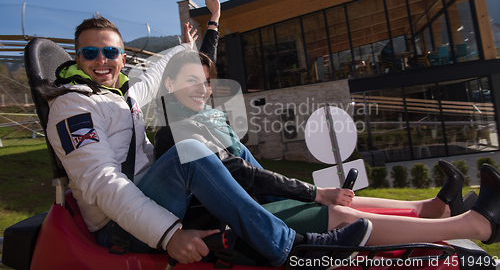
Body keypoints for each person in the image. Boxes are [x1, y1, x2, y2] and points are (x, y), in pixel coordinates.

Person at [43, 0, 374, 269]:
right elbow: (103, 182)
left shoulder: (122, 94)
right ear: (78, 56)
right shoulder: (73, 106)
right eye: (90, 52)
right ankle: (293, 249)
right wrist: (169, 235)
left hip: (147, 197)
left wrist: (194, 38)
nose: (102, 60)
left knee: (235, 152)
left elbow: (158, 72)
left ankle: (294, 209)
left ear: (122, 55)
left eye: (110, 51)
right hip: (117, 224)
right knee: (190, 151)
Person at [153, 47, 500, 259]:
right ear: (169, 86)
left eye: (205, 81)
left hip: (257, 207)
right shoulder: (177, 133)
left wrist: (212, 23)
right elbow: (244, 175)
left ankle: (430, 209)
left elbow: (249, 170)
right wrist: (313, 191)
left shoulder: (200, 123)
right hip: (237, 225)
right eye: (190, 81)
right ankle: (473, 225)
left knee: (335, 205)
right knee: (340, 215)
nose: (202, 89)